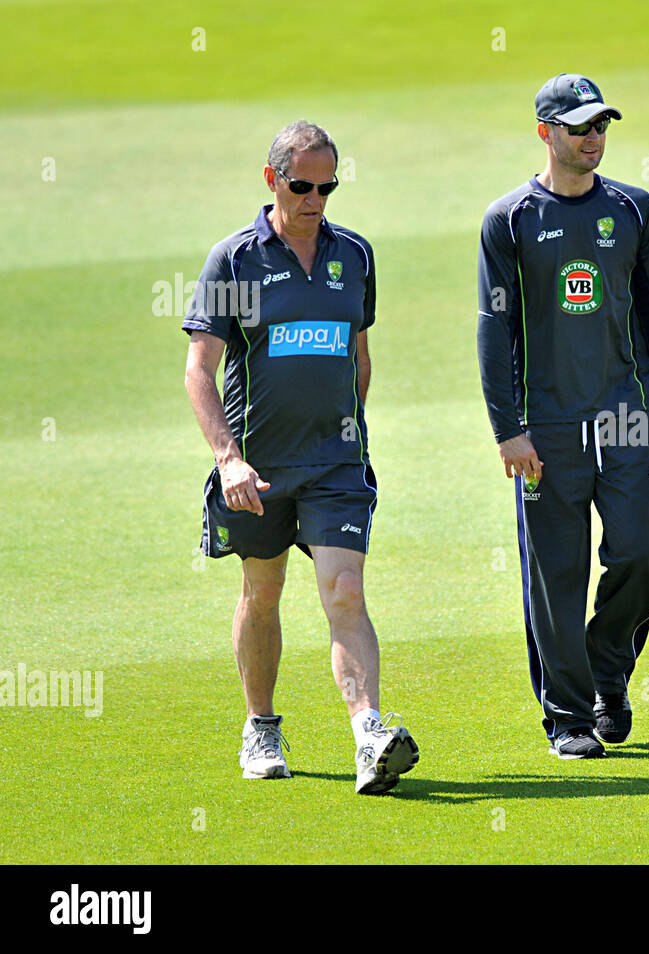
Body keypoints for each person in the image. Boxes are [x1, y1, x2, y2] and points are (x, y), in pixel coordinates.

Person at [183, 120, 418, 794]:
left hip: (336, 466)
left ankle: (370, 735)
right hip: (258, 469)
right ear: (271, 180)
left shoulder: (356, 256)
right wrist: (228, 458)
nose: (316, 197)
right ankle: (261, 724)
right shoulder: (234, 261)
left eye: (328, 185)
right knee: (263, 594)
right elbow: (199, 369)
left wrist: (350, 432)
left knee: (345, 591)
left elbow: (358, 356)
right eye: (302, 185)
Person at [477, 74, 649, 759]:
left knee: (643, 549)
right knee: (556, 572)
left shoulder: (633, 209)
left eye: (601, 125)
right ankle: (570, 715)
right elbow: (493, 330)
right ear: (546, 133)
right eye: (579, 127)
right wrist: (507, 427)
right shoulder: (509, 219)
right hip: (546, 425)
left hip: (626, 415)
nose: (593, 138)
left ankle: (608, 671)